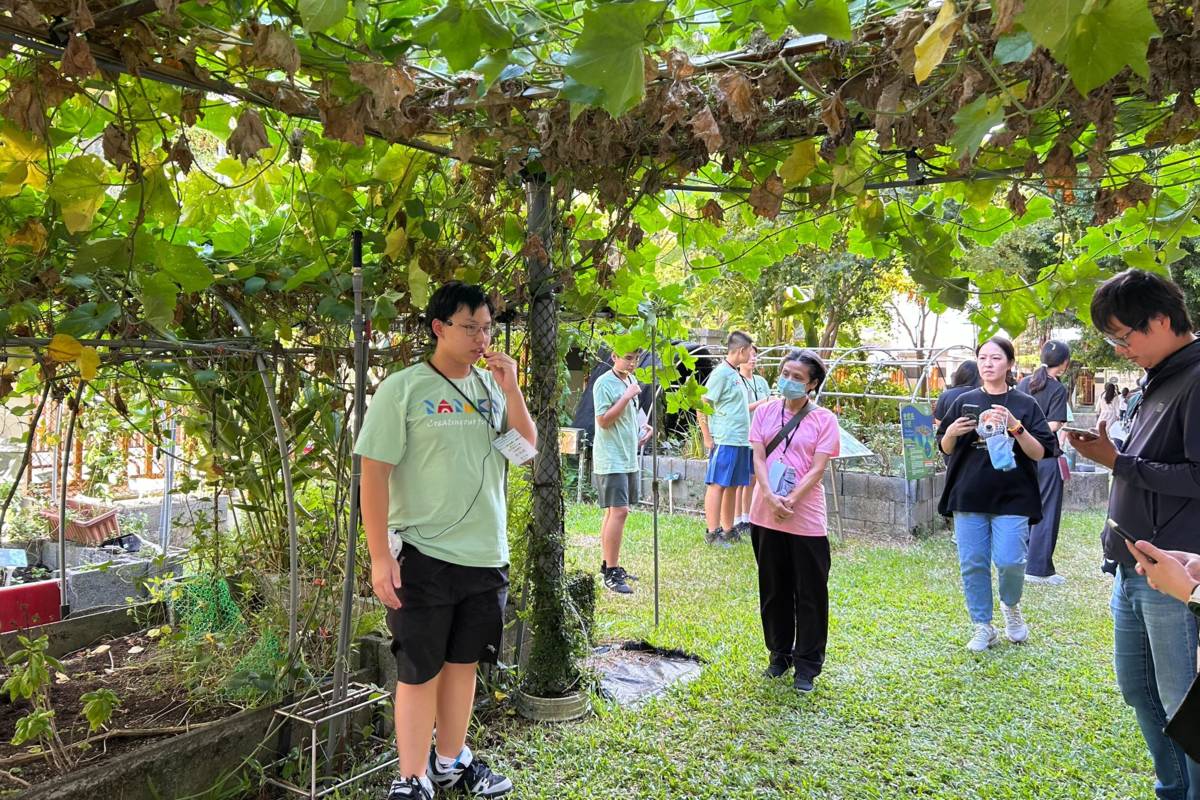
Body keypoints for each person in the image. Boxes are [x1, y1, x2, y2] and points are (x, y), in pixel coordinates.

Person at [357, 282, 536, 800]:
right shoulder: (403, 388)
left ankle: (451, 762)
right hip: (422, 555)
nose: (482, 338)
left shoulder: (490, 388)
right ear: (439, 328)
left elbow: (525, 452)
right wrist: (379, 557)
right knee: (419, 669)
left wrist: (512, 390)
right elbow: (374, 474)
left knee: (463, 664)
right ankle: (411, 777)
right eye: (470, 327)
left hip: (486, 554)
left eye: (487, 328)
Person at [1068, 269, 1200, 800]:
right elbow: (1154, 461)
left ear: (1162, 320)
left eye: (1124, 337)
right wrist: (1115, 453)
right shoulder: (1160, 376)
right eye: (1114, 341)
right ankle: (1173, 789)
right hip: (1132, 565)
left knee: (1183, 706)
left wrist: (1120, 462)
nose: (1122, 351)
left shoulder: (1196, 378)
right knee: (1139, 692)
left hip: (1173, 574)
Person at [936, 337, 1057, 652]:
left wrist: (1016, 427)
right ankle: (983, 625)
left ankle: (1011, 606)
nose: (988, 364)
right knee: (973, 563)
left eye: (996, 358)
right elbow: (944, 447)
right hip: (969, 494)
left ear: (1010, 364)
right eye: (983, 358)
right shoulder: (962, 400)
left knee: (1010, 560)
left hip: (1014, 496)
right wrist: (952, 433)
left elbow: (1040, 452)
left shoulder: (1025, 404)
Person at [748, 349, 840, 693]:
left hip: (805, 517)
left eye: (798, 377)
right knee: (773, 589)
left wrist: (791, 499)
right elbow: (758, 456)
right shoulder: (765, 412)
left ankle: (807, 665)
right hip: (764, 512)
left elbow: (818, 468)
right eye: (785, 373)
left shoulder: (824, 420)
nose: (788, 381)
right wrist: (769, 495)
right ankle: (779, 655)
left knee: (810, 592)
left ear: (812, 384)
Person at [592, 348, 652, 594]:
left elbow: (628, 417)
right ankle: (612, 573)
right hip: (611, 457)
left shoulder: (630, 379)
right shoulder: (603, 383)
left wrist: (642, 430)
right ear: (614, 356)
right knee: (620, 511)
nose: (632, 363)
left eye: (636, 359)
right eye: (628, 358)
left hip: (627, 456)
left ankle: (607, 565)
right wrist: (626, 397)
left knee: (613, 512)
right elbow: (603, 421)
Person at [1017, 340, 1071, 586]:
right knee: (1046, 512)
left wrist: (1023, 435)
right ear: (1064, 363)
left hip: (1021, 454)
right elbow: (1055, 424)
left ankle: (1022, 561)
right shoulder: (1057, 388)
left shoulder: (1023, 383)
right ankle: (1038, 570)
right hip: (1046, 457)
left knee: (1024, 509)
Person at [698, 330, 755, 546]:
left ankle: (729, 529)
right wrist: (707, 437)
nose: (751, 355)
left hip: (740, 440)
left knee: (732, 485)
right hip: (725, 439)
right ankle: (712, 533)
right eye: (750, 351)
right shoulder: (721, 374)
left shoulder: (735, 374)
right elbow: (702, 405)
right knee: (718, 484)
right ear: (741, 350)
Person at [734, 345, 773, 538]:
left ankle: (748, 517)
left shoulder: (761, 381)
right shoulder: (736, 381)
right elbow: (739, 408)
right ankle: (737, 519)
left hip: (760, 437)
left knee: (754, 478)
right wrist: (762, 403)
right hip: (742, 436)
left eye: (755, 355)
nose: (753, 359)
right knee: (741, 480)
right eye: (749, 355)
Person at [932, 360, 980, 429]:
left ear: (958, 375)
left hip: (950, 434)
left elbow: (939, 422)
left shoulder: (945, 395)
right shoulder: (982, 394)